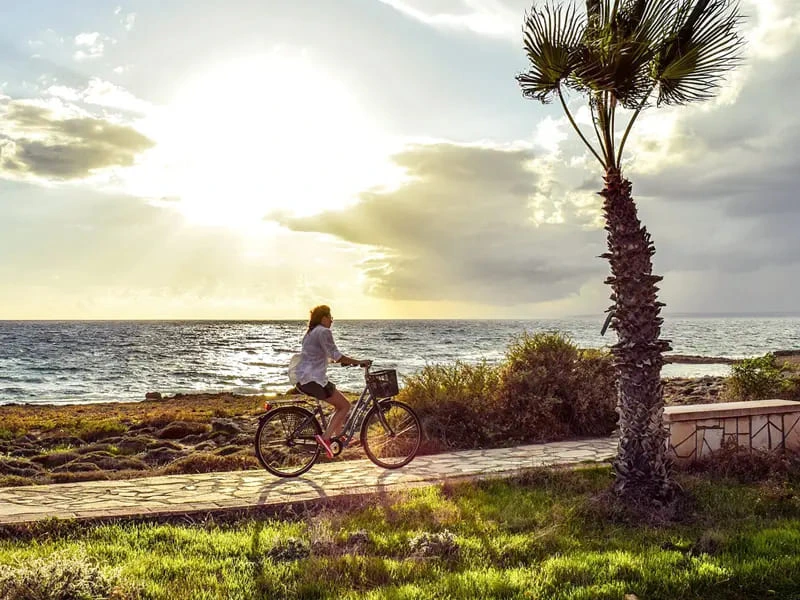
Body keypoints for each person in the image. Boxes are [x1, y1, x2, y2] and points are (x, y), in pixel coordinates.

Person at [294, 305, 371, 458]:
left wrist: (342, 361)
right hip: (314, 379)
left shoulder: (311, 332)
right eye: (330, 317)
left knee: (339, 404)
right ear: (323, 318)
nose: (332, 320)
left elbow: (321, 354)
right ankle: (326, 438)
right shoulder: (324, 331)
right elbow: (336, 354)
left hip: (304, 378)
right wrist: (359, 361)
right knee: (345, 405)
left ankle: (338, 436)